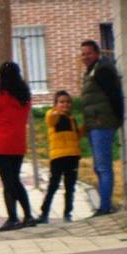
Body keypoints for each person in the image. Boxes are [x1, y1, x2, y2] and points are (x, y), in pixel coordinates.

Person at [0, 61, 35, 232]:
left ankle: (13, 217)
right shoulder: (24, 96)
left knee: (8, 181)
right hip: (17, 143)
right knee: (15, 179)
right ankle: (27, 215)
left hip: (1, 145)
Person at [79, 39, 124, 216]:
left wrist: (117, 118)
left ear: (97, 53)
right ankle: (105, 204)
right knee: (98, 166)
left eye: (88, 53)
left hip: (102, 124)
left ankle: (105, 207)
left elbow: (114, 94)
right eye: (83, 54)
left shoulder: (103, 70)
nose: (85, 57)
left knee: (103, 166)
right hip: (94, 124)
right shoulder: (92, 71)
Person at [37, 90, 82, 224]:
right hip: (58, 157)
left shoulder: (72, 119)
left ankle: (67, 212)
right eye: (61, 102)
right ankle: (44, 213)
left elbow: (76, 136)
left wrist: (86, 128)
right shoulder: (52, 115)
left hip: (72, 156)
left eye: (68, 102)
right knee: (53, 185)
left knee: (70, 186)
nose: (65, 105)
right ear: (55, 104)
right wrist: (56, 112)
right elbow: (50, 120)